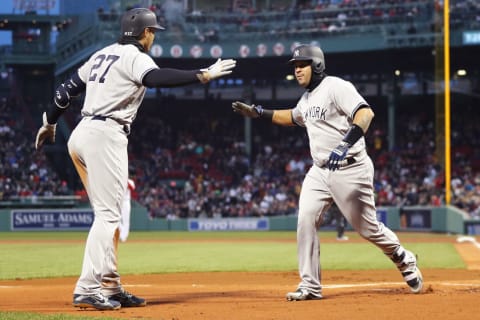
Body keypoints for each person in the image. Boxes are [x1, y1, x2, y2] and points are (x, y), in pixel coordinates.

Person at [35, 8, 236, 311]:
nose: (154, 36)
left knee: (108, 215)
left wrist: (50, 122)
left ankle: (111, 286)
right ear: (145, 33)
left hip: (80, 134)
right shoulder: (135, 56)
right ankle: (88, 288)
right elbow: (156, 78)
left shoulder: (102, 54)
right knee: (108, 216)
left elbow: (67, 90)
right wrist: (203, 74)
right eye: (153, 31)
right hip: (106, 134)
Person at [231, 44, 423, 301]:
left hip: (352, 167)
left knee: (367, 229)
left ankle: (402, 257)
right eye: (295, 67)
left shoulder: (336, 87)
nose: (297, 71)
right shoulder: (307, 98)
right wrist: (258, 113)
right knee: (305, 219)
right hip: (320, 171)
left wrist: (345, 144)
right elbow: (292, 116)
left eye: (302, 65)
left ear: (317, 65)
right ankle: (309, 286)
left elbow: (366, 113)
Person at [119, 178, 135, 242]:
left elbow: (132, 188)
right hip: (118, 202)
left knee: (126, 220)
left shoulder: (130, 181)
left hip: (126, 201)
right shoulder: (117, 179)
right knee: (116, 219)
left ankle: (123, 237)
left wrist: (125, 181)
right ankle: (121, 234)